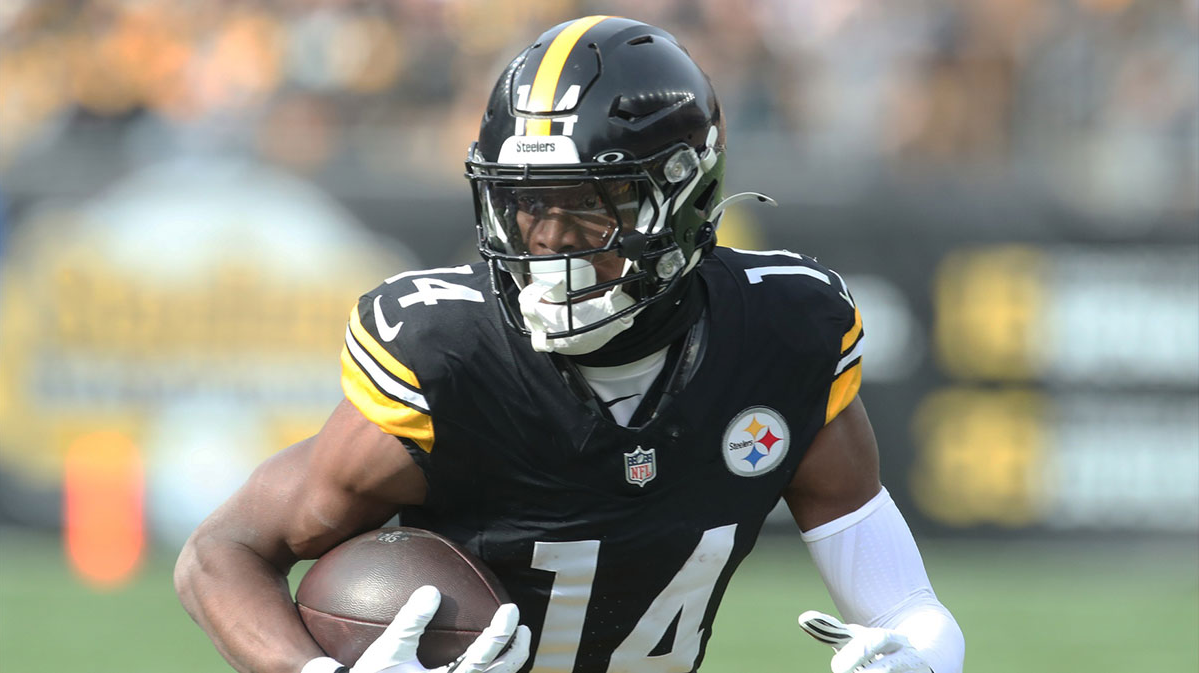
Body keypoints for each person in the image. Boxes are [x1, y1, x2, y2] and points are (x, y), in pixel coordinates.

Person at [175, 15, 965, 673]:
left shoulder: (780, 338)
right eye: (527, 206)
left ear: (684, 199)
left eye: (591, 208)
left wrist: (921, 657)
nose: (551, 243)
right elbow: (221, 552)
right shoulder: (453, 360)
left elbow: (906, 608)